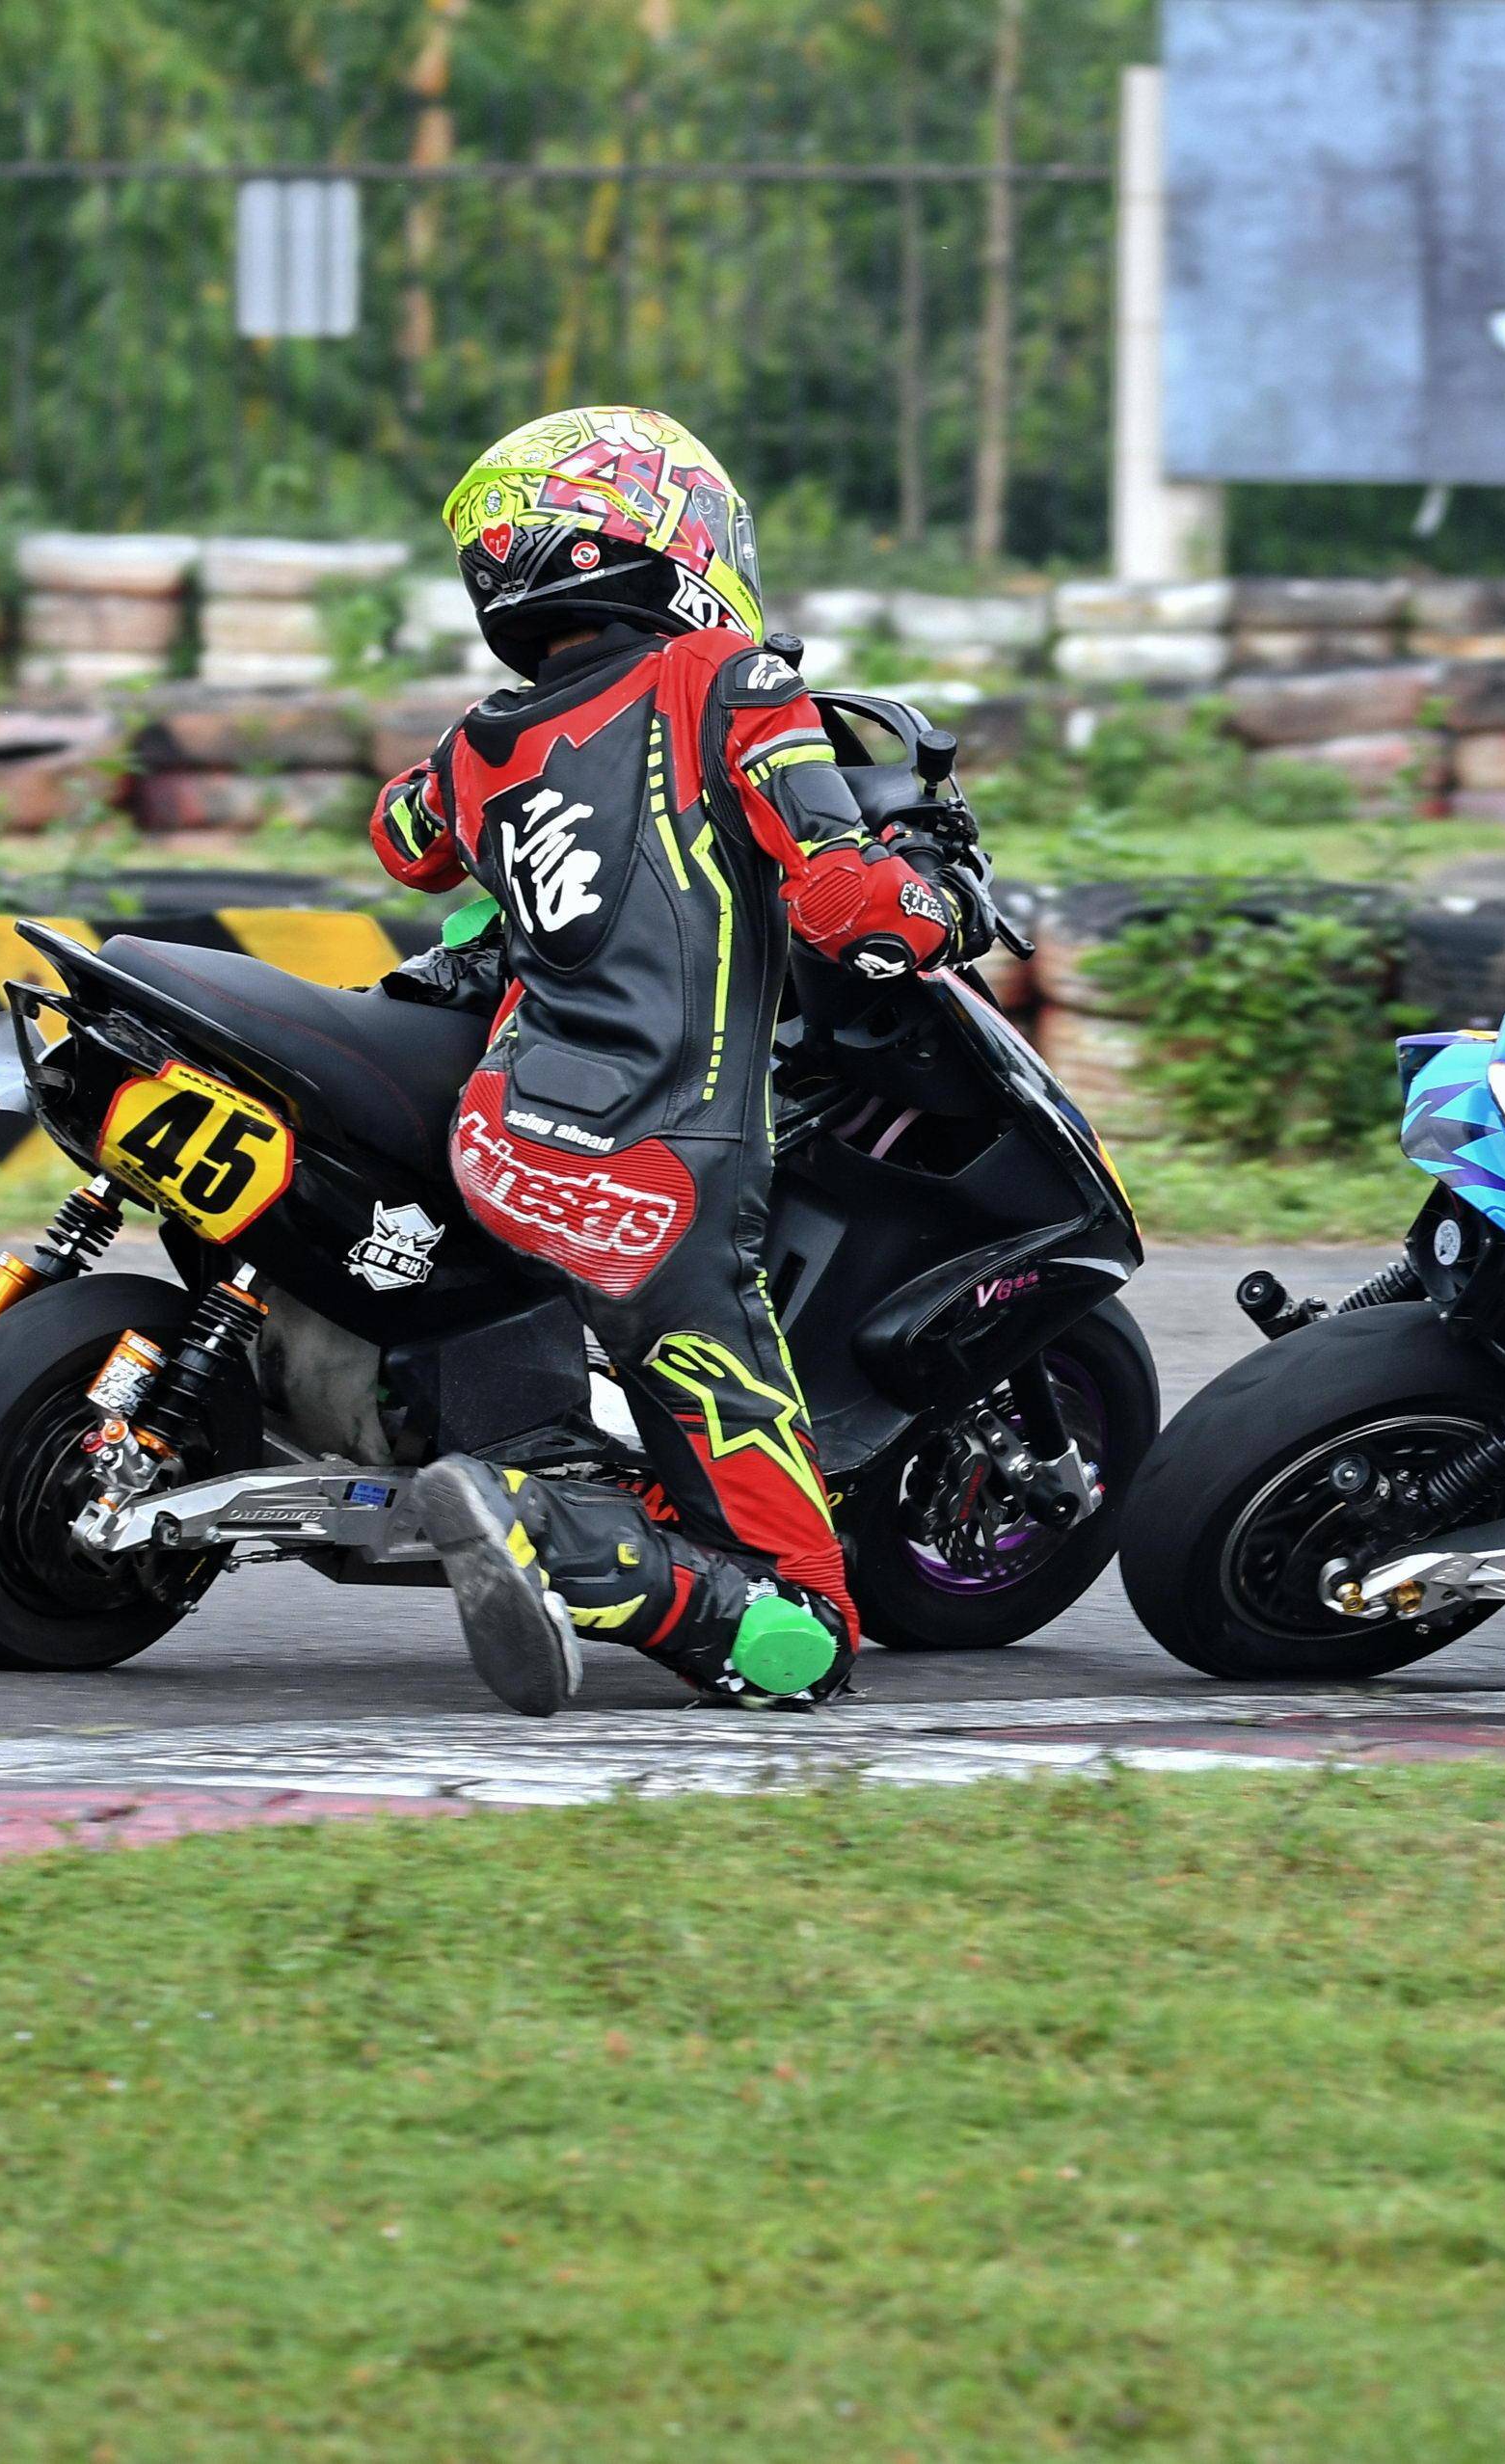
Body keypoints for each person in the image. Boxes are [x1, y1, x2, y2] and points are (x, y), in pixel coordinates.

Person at [365, 405, 970, 1717]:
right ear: (663, 533)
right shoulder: (729, 679)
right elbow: (845, 903)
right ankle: (542, 1527)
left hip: (505, 1146)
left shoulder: (479, 741)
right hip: (657, 1175)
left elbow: (402, 837)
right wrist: (939, 905)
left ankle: (578, 1483)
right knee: (811, 1631)